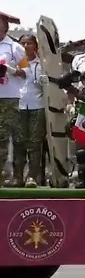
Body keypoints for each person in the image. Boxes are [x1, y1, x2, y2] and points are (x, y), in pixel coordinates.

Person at [13, 34, 46, 187]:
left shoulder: (42, 65)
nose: (26, 46)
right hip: (17, 106)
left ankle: (32, 177)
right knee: (18, 142)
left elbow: (45, 85)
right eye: (23, 43)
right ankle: (17, 176)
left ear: (35, 46)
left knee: (34, 143)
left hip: (37, 106)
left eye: (29, 43)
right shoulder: (13, 63)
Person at [0, 15, 29, 186]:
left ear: (5, 27)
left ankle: (4, 175)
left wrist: (9, 70)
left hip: (8, 97)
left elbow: (26, 72)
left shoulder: (14, 47)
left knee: (2, 137)